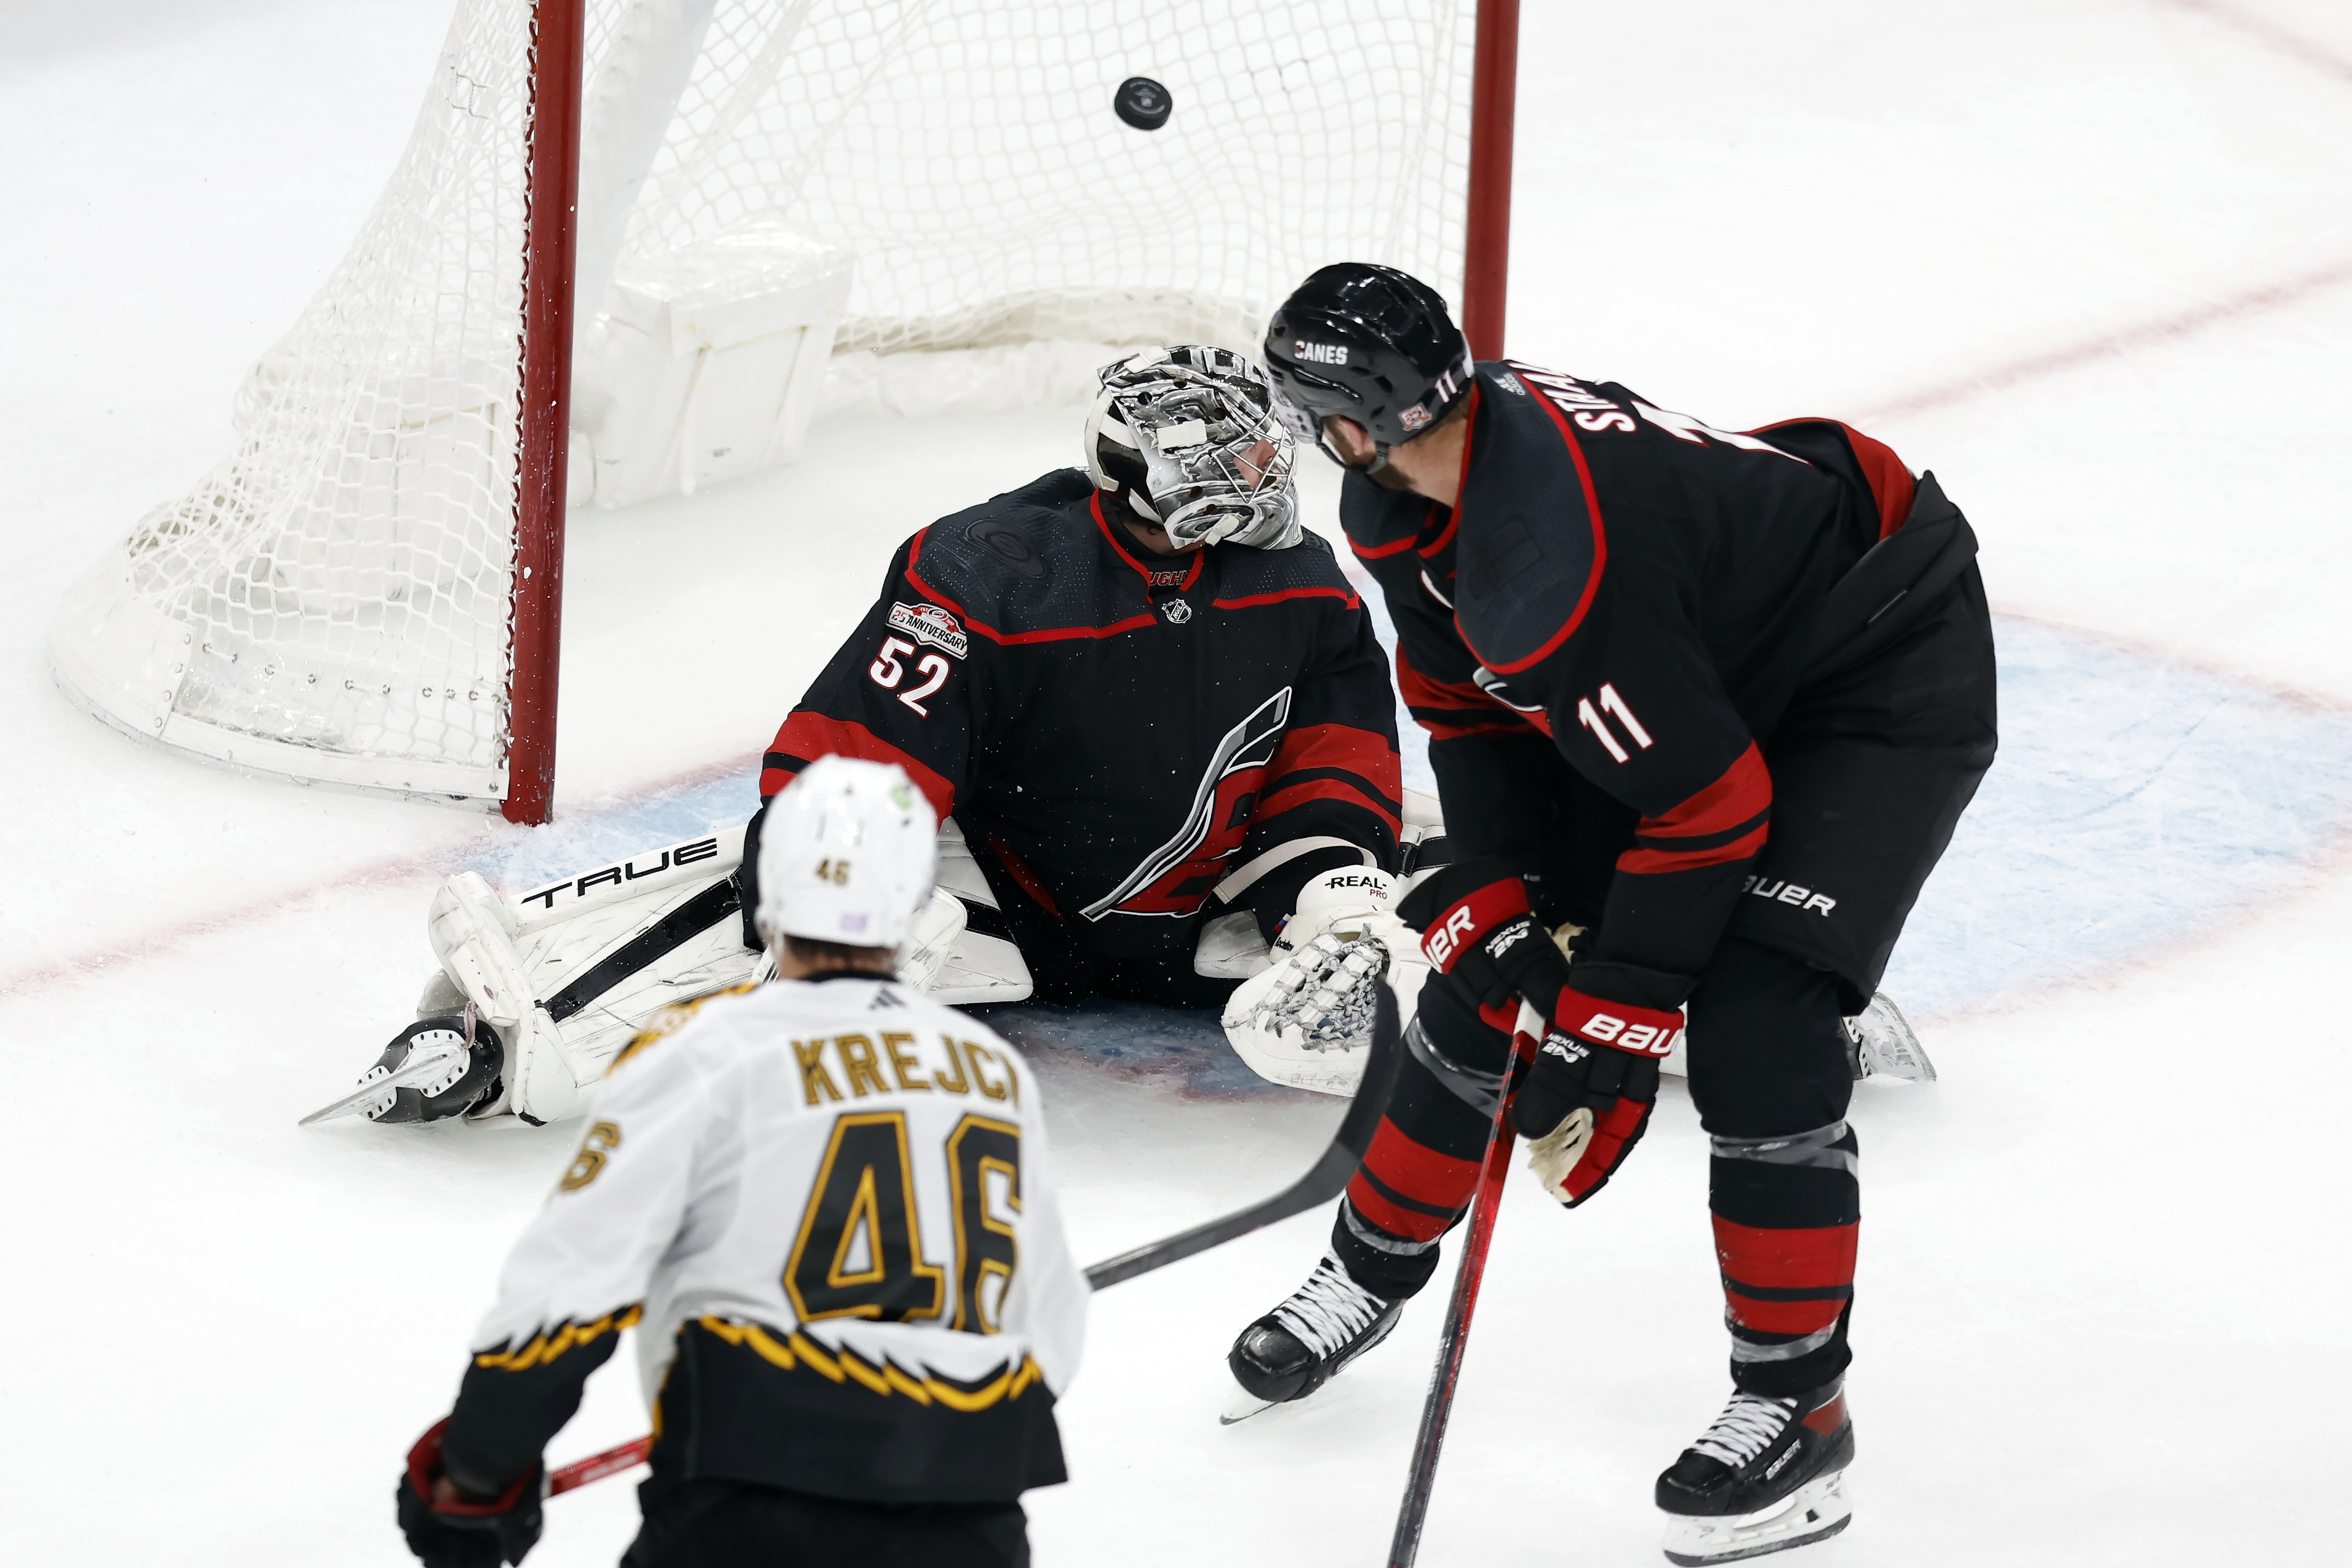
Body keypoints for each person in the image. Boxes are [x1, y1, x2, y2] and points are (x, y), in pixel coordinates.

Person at [1226, 264, 1997, 1563]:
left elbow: (1708, 812)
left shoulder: (1544, 569)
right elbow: (1467, 709)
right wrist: (1501, 895)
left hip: (1873, 663)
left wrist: (1614, 1032)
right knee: (1487, 965)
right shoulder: (1407, 490)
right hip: (1705, 651)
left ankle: (1799, 1412)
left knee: (1759, 1027)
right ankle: (1366, 1273)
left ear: (1352, 421)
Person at [336, 347, 1425, 1128]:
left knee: (1436, 915)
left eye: (1261, 461)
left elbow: (1335, 763)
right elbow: (861, 755)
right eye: (1230, 465)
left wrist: (1333, 902)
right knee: (786, 875)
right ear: (1142, 465)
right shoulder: (990, 566)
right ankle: (496, 1029)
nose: (1265, 483)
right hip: (1007, 894)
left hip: (1189, 923)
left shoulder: (1303, 586)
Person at [394, 755, 1087, 1568]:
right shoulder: (989, 1073)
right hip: (969, 1517)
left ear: (769, 887)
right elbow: (1051, 1324)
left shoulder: (702, 1044)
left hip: (753, 1501)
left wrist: (479, 1466)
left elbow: (573, 1282)